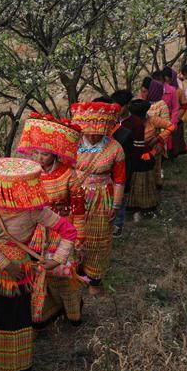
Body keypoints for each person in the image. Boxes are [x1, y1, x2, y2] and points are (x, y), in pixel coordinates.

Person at [0, 157, 76, 371]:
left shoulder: (33, 210)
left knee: (13, 320)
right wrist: (6, 264)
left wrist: (56, 260)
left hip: (14, 275)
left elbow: (69, 231)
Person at [16, 113, 86, 325]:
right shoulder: (30, 174)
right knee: (39, 272)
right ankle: (45, 312)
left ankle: (73, 311)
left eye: (44, 154)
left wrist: (79, 236)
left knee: (61, 272)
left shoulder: (68, 175)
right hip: (37, 230)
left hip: (62, 227)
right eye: (36, 152)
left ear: (55, 155)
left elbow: (79, 207)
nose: (39, 158)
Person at [70, 101, 126, 295]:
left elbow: (119, 179)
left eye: (97, 131)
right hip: (74, 196)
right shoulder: (71, 144)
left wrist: (116, 205)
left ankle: (94, 278)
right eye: (88, 131)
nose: (92, 135)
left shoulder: (115, 148)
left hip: (102, 197)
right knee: (73, 235)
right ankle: (74, 273)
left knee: (99, 237)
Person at [126, 97, 170, 216]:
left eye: (141, 117)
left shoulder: (152, 119)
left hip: (150, 154)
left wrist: (159, 139)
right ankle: (133, 204)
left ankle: (146, 204)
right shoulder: (127, 122)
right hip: (133, 156)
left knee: (147, 179)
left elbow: (171, 126)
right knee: (134, 180)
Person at [97, 93, 133, 237]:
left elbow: (126, 167)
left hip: (112, 184)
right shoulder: (84, 139)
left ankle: (116, 227)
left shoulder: (122, 136)